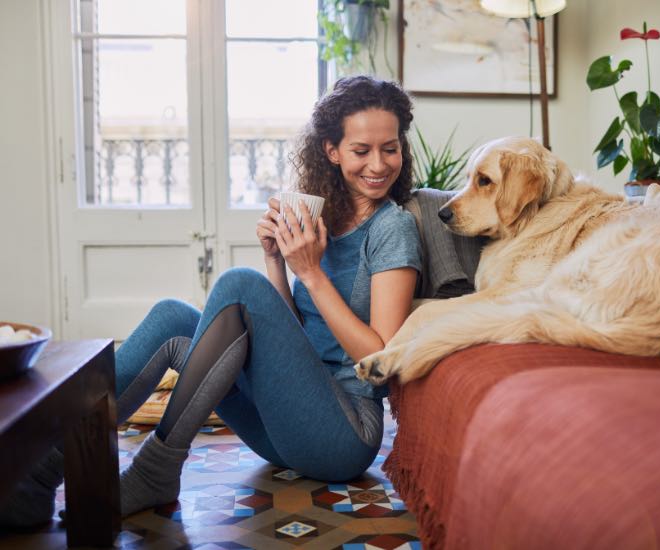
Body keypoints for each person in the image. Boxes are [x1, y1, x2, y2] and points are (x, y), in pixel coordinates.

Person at [0, 75, 422, 526]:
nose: (378, 164)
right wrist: (277, 262)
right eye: (362, 150)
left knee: (237, 284)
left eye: (390, 148)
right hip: (283, 425)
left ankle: (156, 468)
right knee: (172, 318)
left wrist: (311, 273)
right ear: (331, 151)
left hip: (341, 434)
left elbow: (383, 356)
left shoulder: (392, 228)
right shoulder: (323, 219)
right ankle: (38, 475)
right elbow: (298, 336)